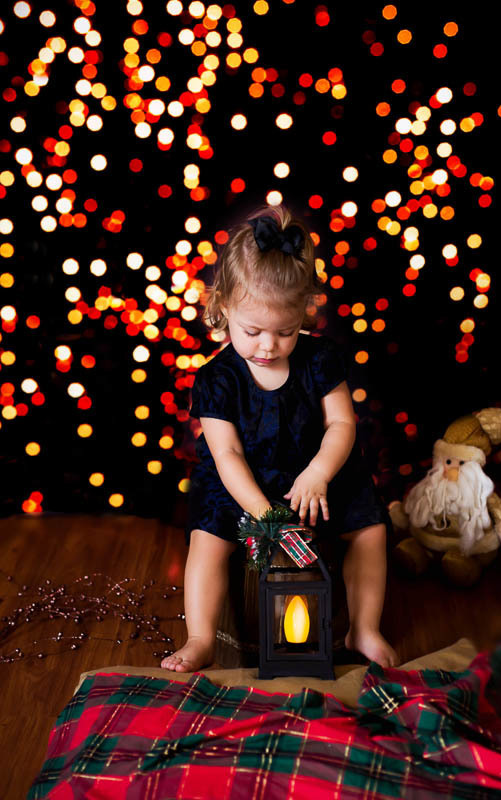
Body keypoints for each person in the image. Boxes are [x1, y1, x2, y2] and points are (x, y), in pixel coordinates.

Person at [161, 205, 399, 672]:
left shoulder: (320, 358)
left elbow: (342, 424)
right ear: (224, 306)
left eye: (285, 332)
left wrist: (319, 472)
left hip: (313, 473)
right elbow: (225, 453)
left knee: (369, 530)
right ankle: (201, 636)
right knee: (207, 541)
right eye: (252, 331)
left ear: (305, 311)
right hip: (244, 484)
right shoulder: (217, 380)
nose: (268, 346)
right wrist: (264, 515)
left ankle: (364, 628)